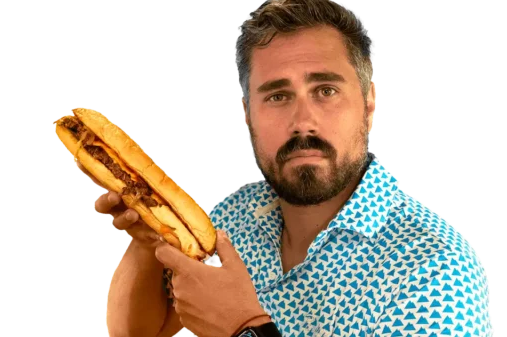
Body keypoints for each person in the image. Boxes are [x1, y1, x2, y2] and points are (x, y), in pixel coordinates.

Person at [98, 1, 491, 336]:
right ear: (248, 115)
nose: (303, 122)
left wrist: (244, 326)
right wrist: (152, 243)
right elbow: (139, 331)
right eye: (278, 95)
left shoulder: (435, 275)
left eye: (325, 90)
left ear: (369, 101)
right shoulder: (231, 220)